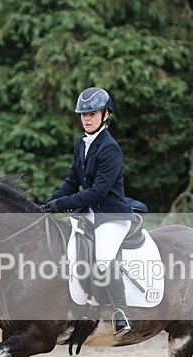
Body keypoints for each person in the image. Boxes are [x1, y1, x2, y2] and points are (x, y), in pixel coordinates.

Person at [41, 87, 135, 337]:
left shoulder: (110, 147)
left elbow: (97, 191)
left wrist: (62, 204)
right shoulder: (80, 144)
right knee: (66, 249)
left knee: (103, 258)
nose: (86, 118)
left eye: (92, 113)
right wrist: (48, 203)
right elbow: (72, 182)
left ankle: (121, 312)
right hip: (90, 213)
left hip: (112, 215)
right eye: (83, 114)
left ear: (106, 115)